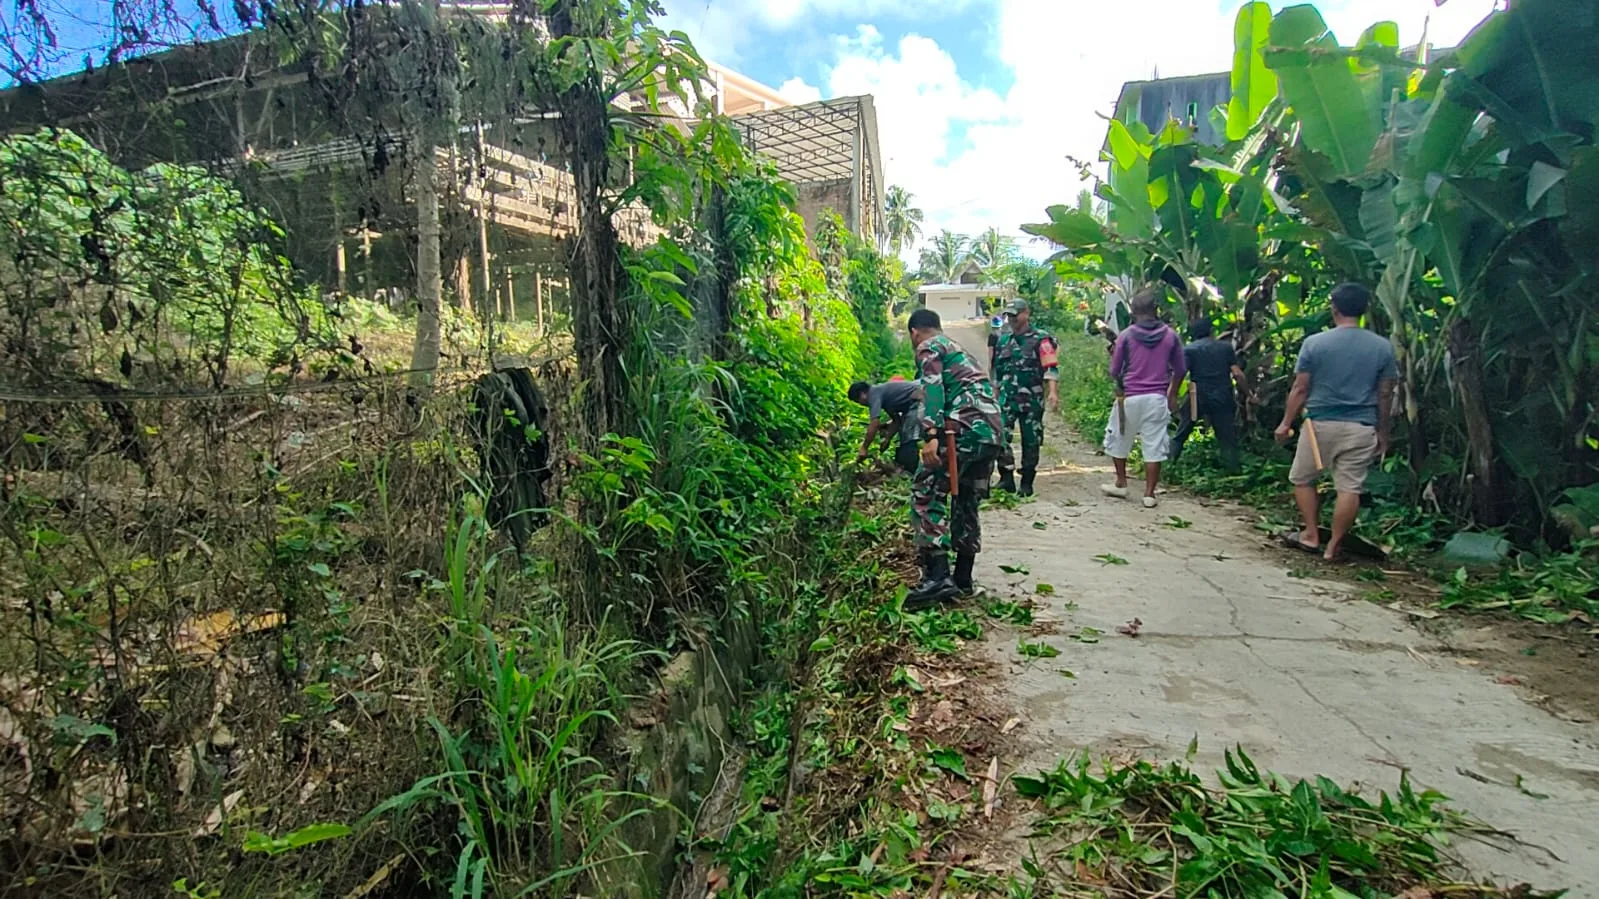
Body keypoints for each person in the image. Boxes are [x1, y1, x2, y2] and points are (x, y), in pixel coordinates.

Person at [1275, 282, 1397, 561]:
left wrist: (1286, 422)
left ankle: (1310, 534)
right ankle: (1333, 547)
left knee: (1303, 479)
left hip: (1319, 425)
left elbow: (1300, 388)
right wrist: (1383, 430)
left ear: (1334, 309)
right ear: (1365, 309)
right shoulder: (1382, 347)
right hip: (1361, 427)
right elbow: (1385, 392)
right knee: (1349, 487)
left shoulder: (1315, 343)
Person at [905, 308, 1004, 607]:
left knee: (925, 491)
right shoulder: (958, 351)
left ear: (914, 332)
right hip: (990, 431)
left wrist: (931, 435)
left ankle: (937, 577)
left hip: (962, 428)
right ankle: (962, 578)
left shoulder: (929, 347)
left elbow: (932, 390)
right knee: (966, 499)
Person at [1101, 286, 1186, 508]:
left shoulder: (1126, 336)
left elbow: (1115, 371)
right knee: (1154, 445)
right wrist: (1172, 394)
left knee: (1119, 437)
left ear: (1133, 311)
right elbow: (1180, 369)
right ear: (1156, 309)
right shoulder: (1170, 336)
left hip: (1130, 397)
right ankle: (1149, 494)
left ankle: (1121, 482)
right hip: (1157, 398)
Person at [991, 299, 1060, 496]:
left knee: (1031, 440)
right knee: (1000, 436)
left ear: (1026, 314)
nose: (1012, 319)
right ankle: (1006, 477)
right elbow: (997, 372)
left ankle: (1027, 482)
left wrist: (1053, 392)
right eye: (1009, 316)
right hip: (1007, 399)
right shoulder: (1003, 341)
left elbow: (1050, 367)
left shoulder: (1041, 339)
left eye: (1016, 315)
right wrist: (994, 395)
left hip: (1031, 399)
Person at [1170, 318, 1248, 472]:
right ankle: (1233, 473)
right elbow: (1238, 374)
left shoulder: (1189, 350)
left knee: (1182, 432)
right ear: (1212, 331)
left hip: (1197, 396)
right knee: (1227, 438)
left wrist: (1172, 395)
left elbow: (1179, 374)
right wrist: (1249, 394)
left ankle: (1168, 467)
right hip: (1222, 396)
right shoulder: (1225, 348)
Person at [848, 378, 924, 473]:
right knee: (904, 432)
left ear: (862, 394)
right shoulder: (884, 398)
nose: (861, 404)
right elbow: (897, 421)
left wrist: (864, 448)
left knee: (908, 436)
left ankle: (910, 471)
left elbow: (874, 423)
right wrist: (887, 438)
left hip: (920, 398)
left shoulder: (873, 394)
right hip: (915, 400)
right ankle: (907, 467)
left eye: (858, 401)